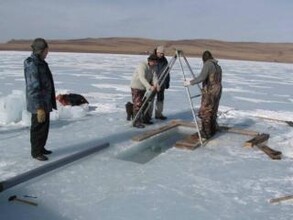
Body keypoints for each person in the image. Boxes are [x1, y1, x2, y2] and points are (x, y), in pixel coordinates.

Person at [24, 38, 57, 161]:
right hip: (39, 103)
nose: (47, 53)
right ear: (40, 50)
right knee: (37, 127)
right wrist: (39, 108)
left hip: (45, 101)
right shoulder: (32, 64)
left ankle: (41, 147)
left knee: (44, 127)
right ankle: (36, 152)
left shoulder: (41, 62)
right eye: (46, 50)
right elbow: (33, 87)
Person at [185, 50, 222, 139]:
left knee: (205, 111)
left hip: (210, 91)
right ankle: (212, 130)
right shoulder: (217, 66)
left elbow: (202, 77)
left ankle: (206, 132)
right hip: (218, 90)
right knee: (213, 110)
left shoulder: (208, 64)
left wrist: (190, 82)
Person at [130, 54, 160, 128]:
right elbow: (142, 77)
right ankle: (136, 122)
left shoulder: (154, 67)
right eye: (154, 62)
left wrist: (157, 85)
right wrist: (149, 87)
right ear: (150, 61)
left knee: (146, 103)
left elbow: (154, 77)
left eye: (156, 62)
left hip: (144, 87)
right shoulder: (142, 65)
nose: (155, 64)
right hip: (136, 86)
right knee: (138, 104)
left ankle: (145, 119)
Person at [153, 46, 170, 120]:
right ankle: (147, 116)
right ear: (157, 52)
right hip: (153, 83)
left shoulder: (164, 60)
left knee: (160, 99)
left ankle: (158, 114)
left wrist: (167, 82)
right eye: (160, 53)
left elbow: (167, 72)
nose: (162, 55)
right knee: (150, 100)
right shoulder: (152, 59)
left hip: (162, 83)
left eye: (163, 54)